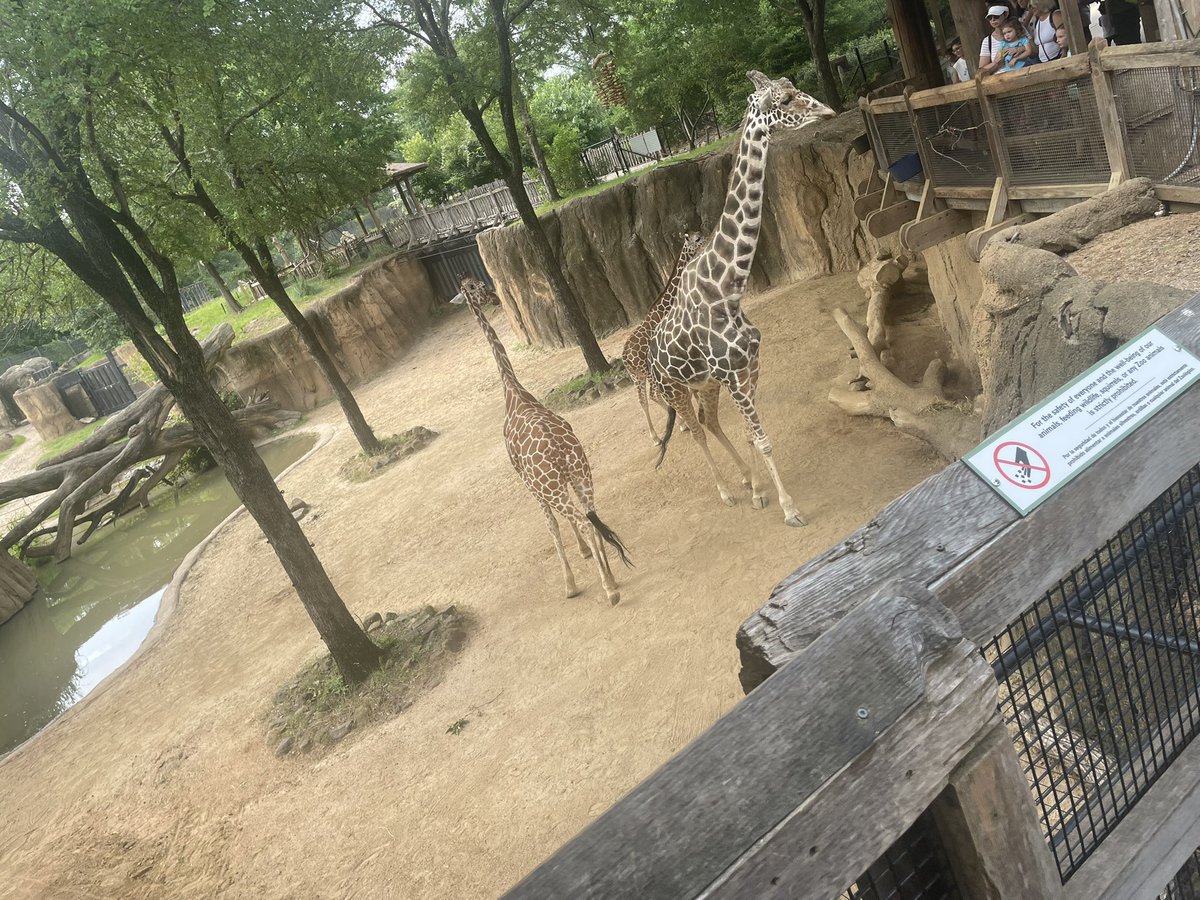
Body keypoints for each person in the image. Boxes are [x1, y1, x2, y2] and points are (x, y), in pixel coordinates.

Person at [980, 5, 1014, 71]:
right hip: (999, 78)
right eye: (990, 18)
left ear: (1005, 15)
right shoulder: (987, 41)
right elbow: (981, 70)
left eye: (996, 16)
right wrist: (996, 62)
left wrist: (1020, 49)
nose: (993, 19)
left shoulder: (1018, 30)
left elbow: (1035, 52)